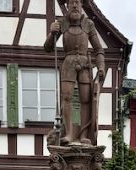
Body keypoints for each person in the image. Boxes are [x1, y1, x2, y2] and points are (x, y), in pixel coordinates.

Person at [43, 0, 105, 145]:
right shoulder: (62, 23)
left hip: (84, 64)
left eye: (77, 2)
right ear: (68, 5)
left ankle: (84, 134)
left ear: (81, 5)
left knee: (86, 99)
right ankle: (69, 133)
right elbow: (47, 48)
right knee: (66, 98)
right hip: (68, 63)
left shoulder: (88, 24)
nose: (75, 5)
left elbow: (99, 49)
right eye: (72, 2)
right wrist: (52, 33)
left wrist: (101, 67)